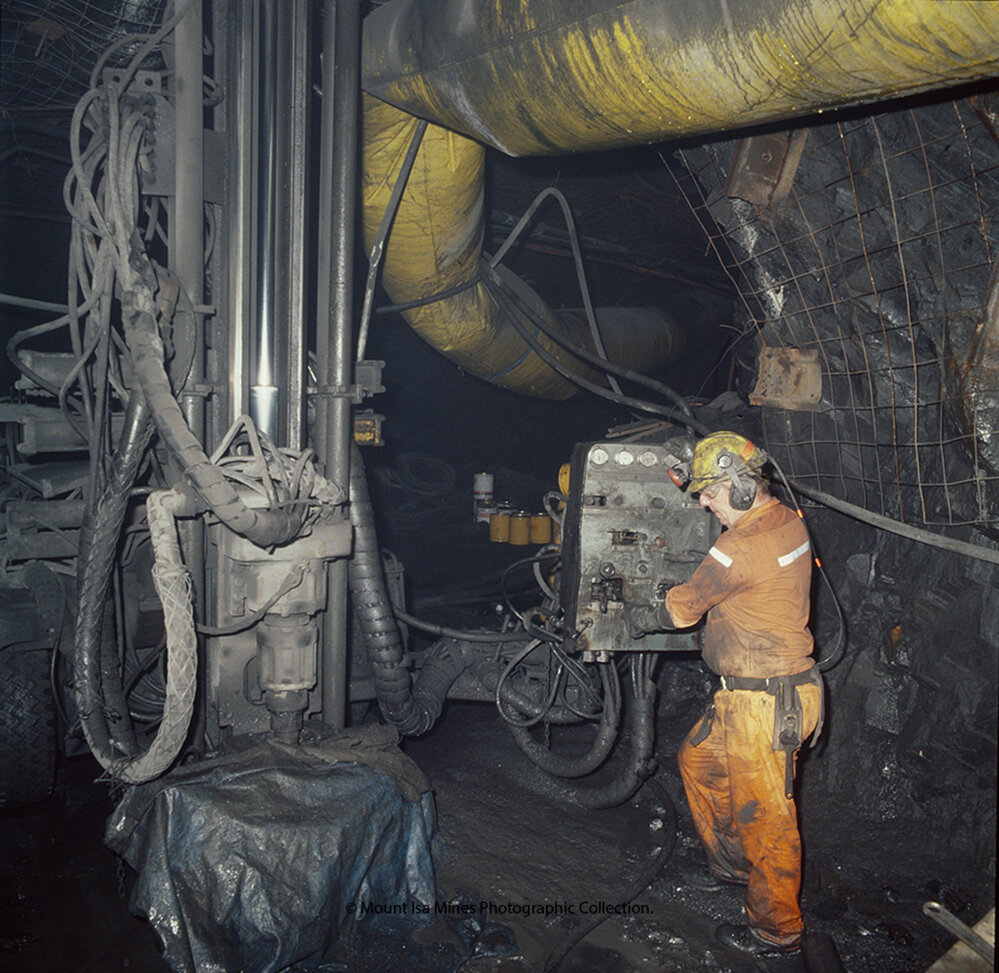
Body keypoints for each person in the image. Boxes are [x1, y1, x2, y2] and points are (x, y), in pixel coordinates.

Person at [624, 431, 823, 956]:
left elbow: (682, 609)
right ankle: (735, 869)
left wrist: (640, 614)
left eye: (708, 494)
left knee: (767, 819)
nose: (703, 504)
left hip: (763, 704)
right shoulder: (786, 520)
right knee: (698, 761)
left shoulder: (738, 545)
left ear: (738, 486)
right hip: (768, 692)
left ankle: (777, 933)